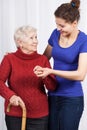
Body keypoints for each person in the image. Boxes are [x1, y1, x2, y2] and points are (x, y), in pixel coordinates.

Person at [34, 0, 87, 130]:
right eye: (57, 25)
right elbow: (44, 58)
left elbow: (80, 75)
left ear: (74, 24)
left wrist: (51, 72)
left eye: (62, 26)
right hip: (53, 94)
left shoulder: (84, 41)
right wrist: (18, 54)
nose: (58, 29)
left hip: (72, 98)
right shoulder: (55, 34)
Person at [0, 25, 57, 130]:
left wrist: (45, 76)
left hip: (39, 115)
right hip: (15, 114)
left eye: (36, 37)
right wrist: (11, 96)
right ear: (20, 42)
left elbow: (52, 87)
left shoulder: (43, 60)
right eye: (31, 38)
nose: (36, 41)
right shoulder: (9, 59)